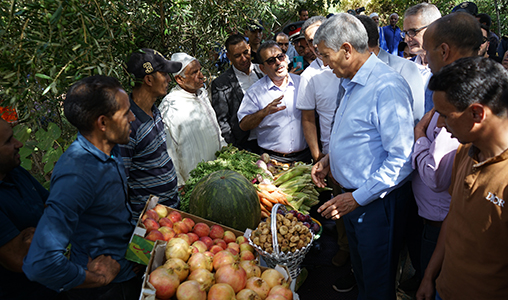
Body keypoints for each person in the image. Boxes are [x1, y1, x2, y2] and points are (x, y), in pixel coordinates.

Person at [312, 14, 414, 299]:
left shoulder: (386, 87)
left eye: (326, 55)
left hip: (376, 204)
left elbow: (402, 159)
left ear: (346, 49)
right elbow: (357, 135)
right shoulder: (350, 81)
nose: (324, 63)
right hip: (355, 201)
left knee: (377, 280)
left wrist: (356, 198)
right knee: (363, 275)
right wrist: (330, 158)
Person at [23, 75, 140, 300]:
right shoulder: (78, 174)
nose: (133, 118)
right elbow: (40, 262)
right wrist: (97, 279)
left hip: (124, 278)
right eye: (126, 113)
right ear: (103, 123)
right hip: (105, 292)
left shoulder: (109, 150)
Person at [417, 57, 508, 300]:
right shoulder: (464, 152)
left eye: (445, 115)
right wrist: (430, 276)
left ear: (477, 113)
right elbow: (454, 217)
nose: (440, 124)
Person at [0, 119, 59, 300]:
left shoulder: (17, 172)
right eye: (9, 141)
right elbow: (21, 258)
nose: (19, 144)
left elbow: (58, 208)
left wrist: (33, 235)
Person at [120, 48, 181, 219]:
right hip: (148, 220)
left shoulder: (155, 112)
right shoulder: (129, 124)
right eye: (164, 74)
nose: (169, 79)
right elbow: (121, 181)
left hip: (170, 212)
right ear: (148, 79)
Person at [237, 41, 310, 163]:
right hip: (273, 161)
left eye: (280, 57)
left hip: (305, 158)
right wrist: (263, 112)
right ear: (262, 68)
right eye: (271, 60)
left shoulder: (302, 83)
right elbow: (243, 125)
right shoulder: (255, 92)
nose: (278, 62)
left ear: (285, 58)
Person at [160, 53, 226, 185]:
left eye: (200, 70)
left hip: (218, 175)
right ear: (179, 79)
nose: (201, 75)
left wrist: (225, 152)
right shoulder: (171, 107)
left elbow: (216, 130)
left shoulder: (201, 95)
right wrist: (179, 185)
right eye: (194, 72)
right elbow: (169, 151)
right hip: (193, 184)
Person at [358, 15, 425, 124]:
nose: (407, 38)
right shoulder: (346, 76)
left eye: (412, 32)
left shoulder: (405, 69)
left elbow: (416, 119)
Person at [211, 34, 264, 152]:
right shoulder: (221, 83)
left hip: (269, 140)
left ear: (250, 48)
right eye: (237, 56)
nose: (244, 58)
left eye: (245, 52)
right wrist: (234, 150)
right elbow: (223, 121)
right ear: (229, 57)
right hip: (245, 145)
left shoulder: (263, 71)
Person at [402, 3, 441, 84]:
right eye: (405, 33)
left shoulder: (451, 69)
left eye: (412, 32)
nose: (406, 39)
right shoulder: (405, 68)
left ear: (433, 28)